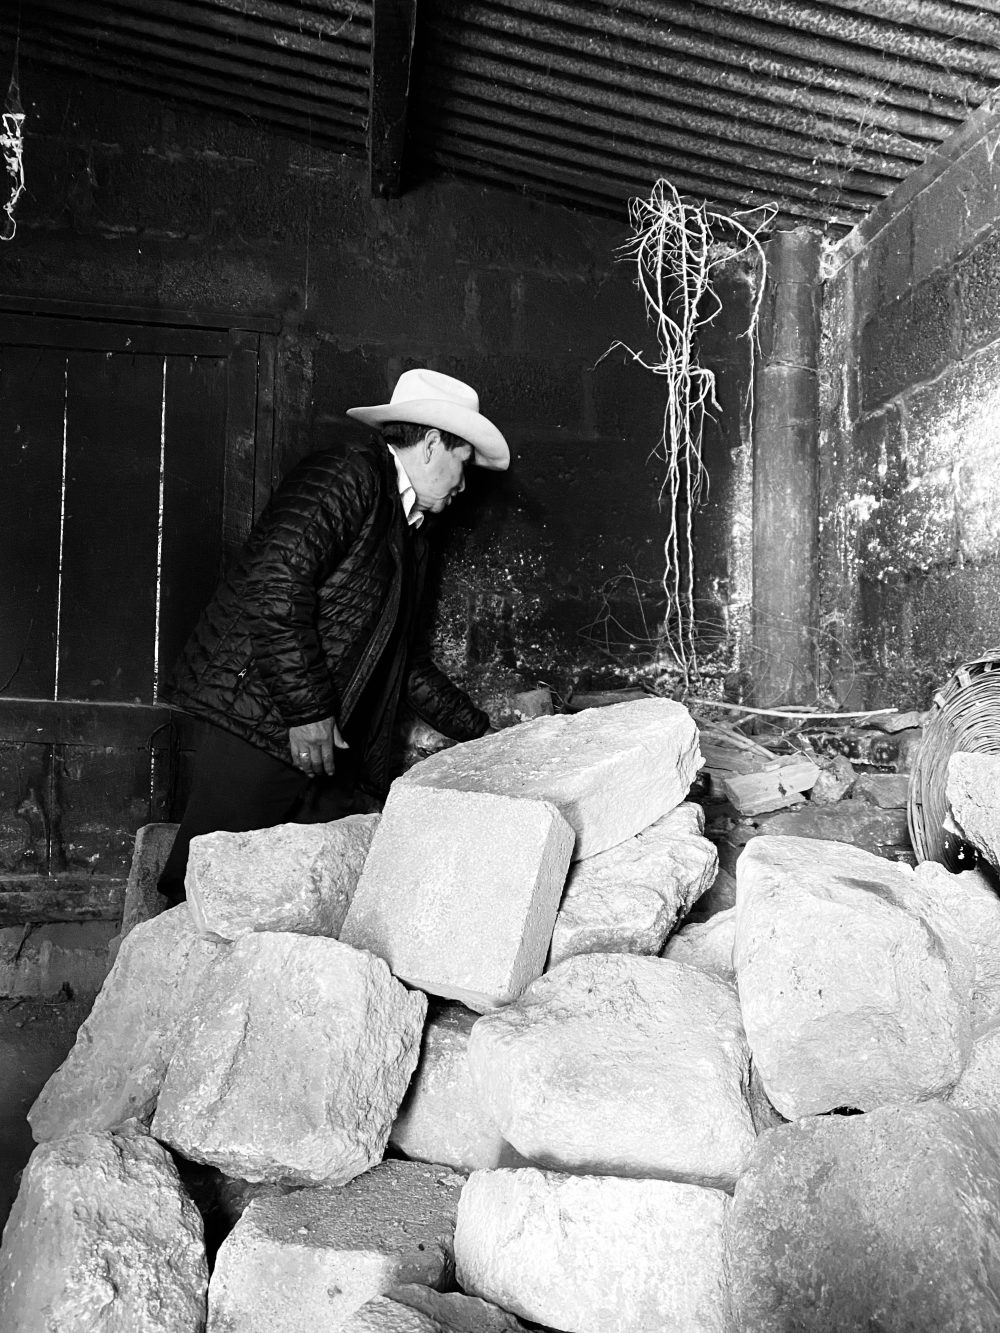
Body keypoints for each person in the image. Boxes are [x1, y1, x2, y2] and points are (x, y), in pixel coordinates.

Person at [156, 368, 509, 904]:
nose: (464, 485)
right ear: (433, 444)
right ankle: (161, 957)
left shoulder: (412, 531)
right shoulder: (347, 474)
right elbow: (275, 585)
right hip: (264, 718)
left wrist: (485, 734)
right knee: (205, 882)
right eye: (464, 464)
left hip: (326, 741)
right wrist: (306, 714)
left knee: (301, 895)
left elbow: (404, 661)